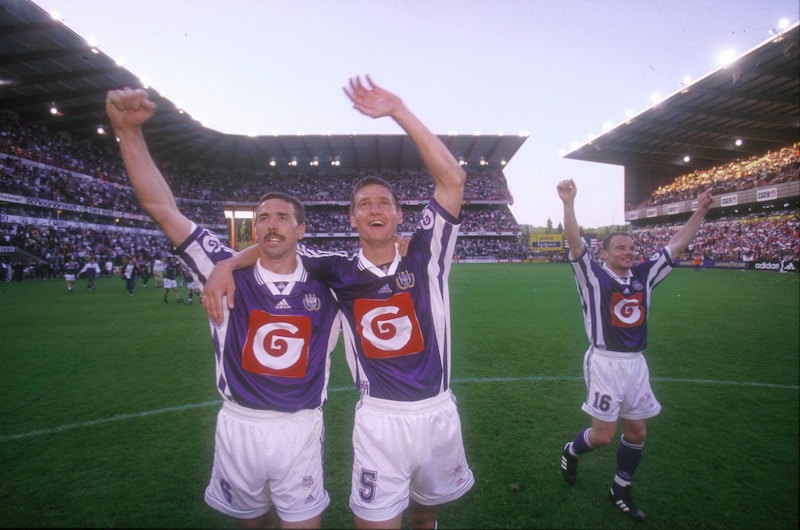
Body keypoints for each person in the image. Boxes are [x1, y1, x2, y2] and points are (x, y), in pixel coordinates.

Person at [204, 75, 475, 529]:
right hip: (378, 419)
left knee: (425, 516)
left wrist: (399, 110)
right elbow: (276, 244)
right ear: (352, 219)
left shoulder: (427, 256)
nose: (375, 210)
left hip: (436, 410)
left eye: (383, 203)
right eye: (364, 205)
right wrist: (227, 264)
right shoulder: (335, 270)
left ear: (398, 215)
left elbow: (453, 180)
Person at [106, 86, 342, 529]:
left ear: (301, 229)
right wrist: (127, 132)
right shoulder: (219, 267)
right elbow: (162, 208)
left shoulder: (330, 280)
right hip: (239, 423)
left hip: (299, 426)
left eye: (282, 217)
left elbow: (378, 261)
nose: (271, 225)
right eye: (263, 218)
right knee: (252, 524)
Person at [556, 178, 713, 522]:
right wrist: (568, 203)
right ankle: (571, 450)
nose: (628, 252)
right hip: (605, 362)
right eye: (620, 248)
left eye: (631, 248)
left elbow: (676, 246)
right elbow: (575, 243)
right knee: (603, 436)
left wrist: (700, 210)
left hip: (636, 364)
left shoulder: (644, 275)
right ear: (605, 253)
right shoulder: (592, 277)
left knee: (637, 432)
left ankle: (620, 489)